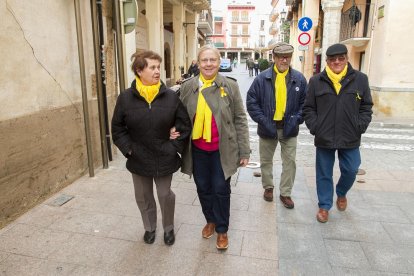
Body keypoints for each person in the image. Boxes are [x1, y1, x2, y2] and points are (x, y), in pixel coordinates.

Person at [171, 45, 250, 250]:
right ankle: (211, 220)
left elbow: (240, 118)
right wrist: (171, 130)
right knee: (203, 188)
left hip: (222, 150)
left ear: (218, 62)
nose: (208, 64)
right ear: (198, 62)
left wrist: (244, 151)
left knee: (221, 189)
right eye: (204, 60)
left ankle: (222, 230)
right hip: (196, 149)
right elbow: (176, 115)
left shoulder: (230, 86)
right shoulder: (188, 87)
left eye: (212, 60)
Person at [111, 50, 192, 245]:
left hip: (165, 155)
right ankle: (149, 228)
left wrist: (174, 145)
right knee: (143, 196)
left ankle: (168, 228)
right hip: (138, 157)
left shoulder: (171, 98)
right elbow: (117, 128)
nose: (157, 71)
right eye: (152, 67)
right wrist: (129, 149)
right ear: (139, 70)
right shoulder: (125, 98)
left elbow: (184, 125)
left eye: (158, 67)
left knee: (165, 195)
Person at [303, 43, 373, 223]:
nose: (337, 62)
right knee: (324, 173)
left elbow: (366, 106)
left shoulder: (360, 79)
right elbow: (309, 108)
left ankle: (341, 193)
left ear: (346, 59)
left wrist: (360, 125)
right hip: (324, 136)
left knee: (351, 169)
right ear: (326, 61)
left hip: (350, 135)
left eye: (341, 58)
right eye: (332, 59)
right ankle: (324, 206)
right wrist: (315, 127)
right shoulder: (316, 81)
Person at [246, 42, 307, 208]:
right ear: (274, 58)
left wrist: (296, 119)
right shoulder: (261, 78)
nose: (284, 60)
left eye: (287, 57)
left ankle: (285, 193)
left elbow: (306, 104)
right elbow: (251, 102)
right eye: (281, 57)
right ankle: (268, 187)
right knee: (266, 161)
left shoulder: (299, 79)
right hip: (268, 127)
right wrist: (264, 121)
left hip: (289, 127)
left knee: (290, 162)